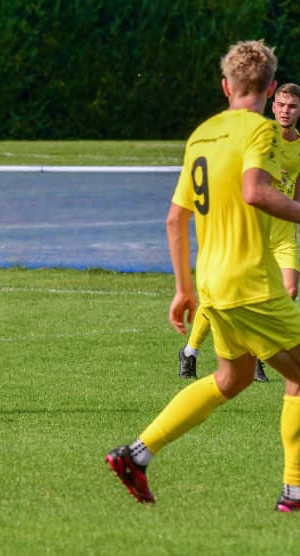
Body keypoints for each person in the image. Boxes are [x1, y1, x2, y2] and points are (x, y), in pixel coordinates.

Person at [106, 40, 300, 512]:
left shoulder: (201, 134)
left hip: (213, 283)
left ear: (225, 87)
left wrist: (183, 289)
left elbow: (176, 218)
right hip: (250, 283)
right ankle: (295, 491)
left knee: (232, 379)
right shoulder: (262, 130)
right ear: (270, 88)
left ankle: (136, 454)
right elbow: (255, 192)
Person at [177, 82, 300, 383]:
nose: (286, 111)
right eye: (281, 105)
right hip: (252, 233)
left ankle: (256, 355)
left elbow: (296, 190)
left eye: (292, 106)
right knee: (220, 301)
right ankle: (190, 351)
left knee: (290, 291)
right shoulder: (260, 136)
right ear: (273, 105)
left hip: (283, 235)